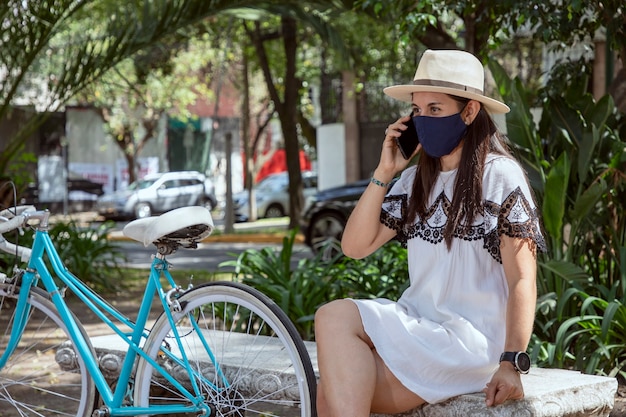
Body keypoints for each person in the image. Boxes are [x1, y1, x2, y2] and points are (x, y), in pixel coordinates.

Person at [314, 49, 547, 417]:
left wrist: (511, 361)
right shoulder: (413, 180)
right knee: (332, 323)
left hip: (468, 343)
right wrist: (384, 171)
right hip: (419, 327)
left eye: (435, 109)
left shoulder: (500, 176)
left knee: (330, 395)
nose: (423, 119)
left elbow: (522, 278)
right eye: (417, 110)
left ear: (469, 111)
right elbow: (355, 246)